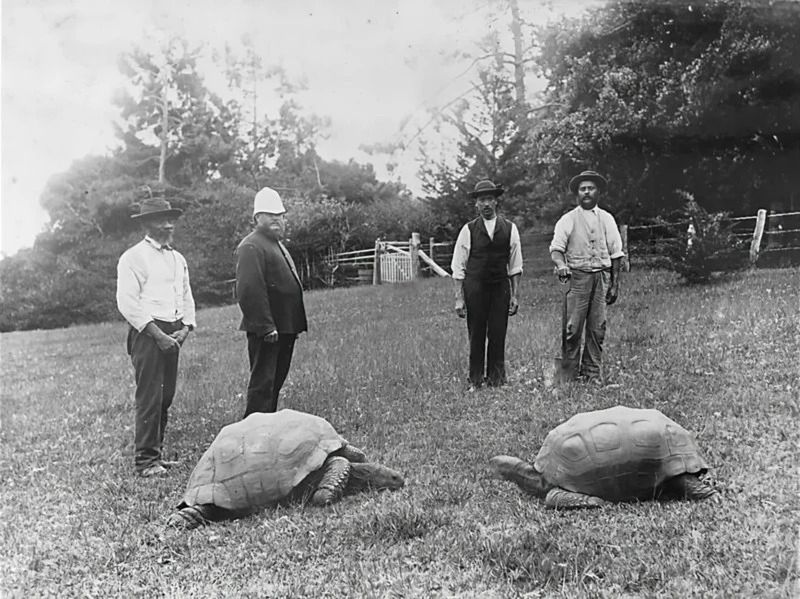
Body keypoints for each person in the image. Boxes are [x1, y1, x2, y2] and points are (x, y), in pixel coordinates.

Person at [116, 196, 196, 478]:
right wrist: (157, 335)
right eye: (163, 219)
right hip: (148, 334)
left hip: (174, 332)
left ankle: (156, 454)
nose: (169, 224)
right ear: (147, 224)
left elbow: (186, 295)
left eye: (172, 218)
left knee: (166, 396)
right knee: (149, 397)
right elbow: (127, 303)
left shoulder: (177, 258)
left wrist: (186, 328)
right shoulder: (133, 258)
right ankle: (146, 461)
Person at [235, 187, 307, 417]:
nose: (277, 219)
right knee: (262, 386)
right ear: (257, 218)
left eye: (280, 215)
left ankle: (267, 431)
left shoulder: (275, 244)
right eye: (270, 214)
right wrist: (266, 326)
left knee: (274, 384)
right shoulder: (251, 245)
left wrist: (292, 325)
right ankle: (253, 434)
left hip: (285, 327)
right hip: (268, 330)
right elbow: (249, 290)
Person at [549, 170, 624, 384]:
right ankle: (569, 375)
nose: (587, 192)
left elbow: (616, 253)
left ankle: (592, 375)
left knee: (597, 328)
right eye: (583, 189)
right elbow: (556, 249)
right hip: (577, 279)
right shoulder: (568, 220)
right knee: (572, 329)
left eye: (591, 188)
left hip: (600, 278)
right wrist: (562, 265)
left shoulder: (607, 219)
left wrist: (614, 285)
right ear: (577, 194)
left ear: (598, 192)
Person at [451, 179, 523, 389]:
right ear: (476, 204)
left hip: (500, 287)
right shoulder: (468, 230)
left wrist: (515, 295)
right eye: (482, 200)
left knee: (498, 332)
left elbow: (516, 265)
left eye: (490, 199)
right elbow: (458, 265)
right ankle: (475, 380)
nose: (486, 204)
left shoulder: (510, 229)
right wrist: (459, 297)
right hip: (475, 287)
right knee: (477, 333)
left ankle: (497, 379)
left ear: (496, 202)